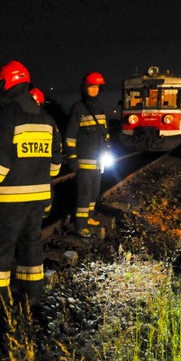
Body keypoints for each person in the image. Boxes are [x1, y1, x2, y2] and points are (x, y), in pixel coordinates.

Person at [0, 61, 62, 307]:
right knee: (31, 245)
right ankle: (33, 297)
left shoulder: (6, 116)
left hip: (9, 201)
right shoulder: (47, 120)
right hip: (38, 199)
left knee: (0, 249)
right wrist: (44, 185)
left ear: (6, 83)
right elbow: (55, 163)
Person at [65, 71, 109, 237]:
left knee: (95, 190)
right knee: (84, 191)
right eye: (92, 87)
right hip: (84, 159)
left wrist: (107, 145)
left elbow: (104, 130)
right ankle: (80, 225)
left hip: (98, 159)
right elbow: (70, 136)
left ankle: (89, 217)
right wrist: (72, 157)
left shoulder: (100, 106)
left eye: (97, 87)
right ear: (85, 88)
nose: (95, 90)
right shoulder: (78, 108)